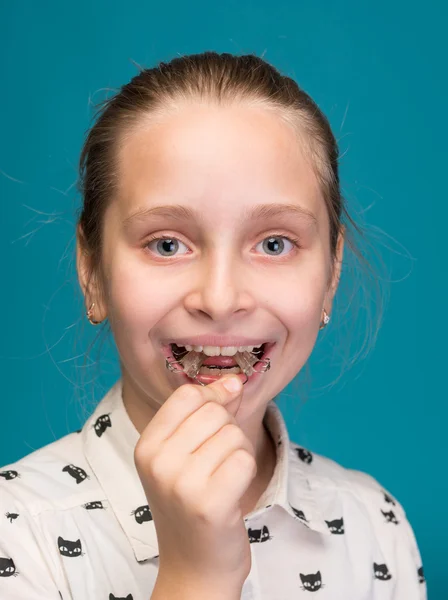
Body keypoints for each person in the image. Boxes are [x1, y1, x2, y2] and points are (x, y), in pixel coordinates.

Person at [0, 52, 426, 600]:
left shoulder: (375, 525)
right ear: (93, 273)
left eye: (274, 244)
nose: (221, 300)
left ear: (331, 273)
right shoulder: (19, 533)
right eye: (167, 244)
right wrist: (196, 579)